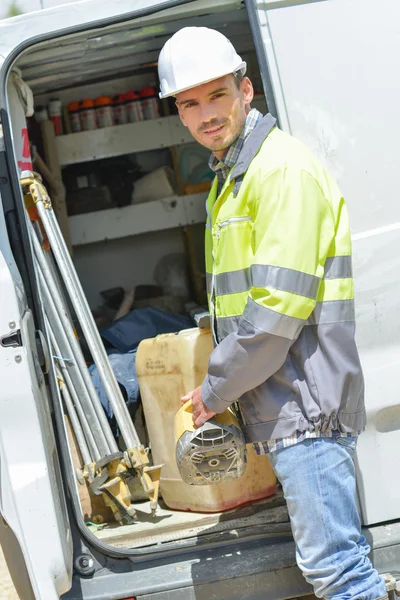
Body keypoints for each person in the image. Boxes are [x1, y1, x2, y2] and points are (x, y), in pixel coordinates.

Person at [158, 27, 387, 600]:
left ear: (246, 90)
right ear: (180, 114)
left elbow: (277, 311)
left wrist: (214, 390)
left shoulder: (277, 171)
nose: (207, 114)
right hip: (288, 401)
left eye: (217, 96)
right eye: (191, 103)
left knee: (339, 574)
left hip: (305, 405)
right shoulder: (232, 180)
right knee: (336, 569)